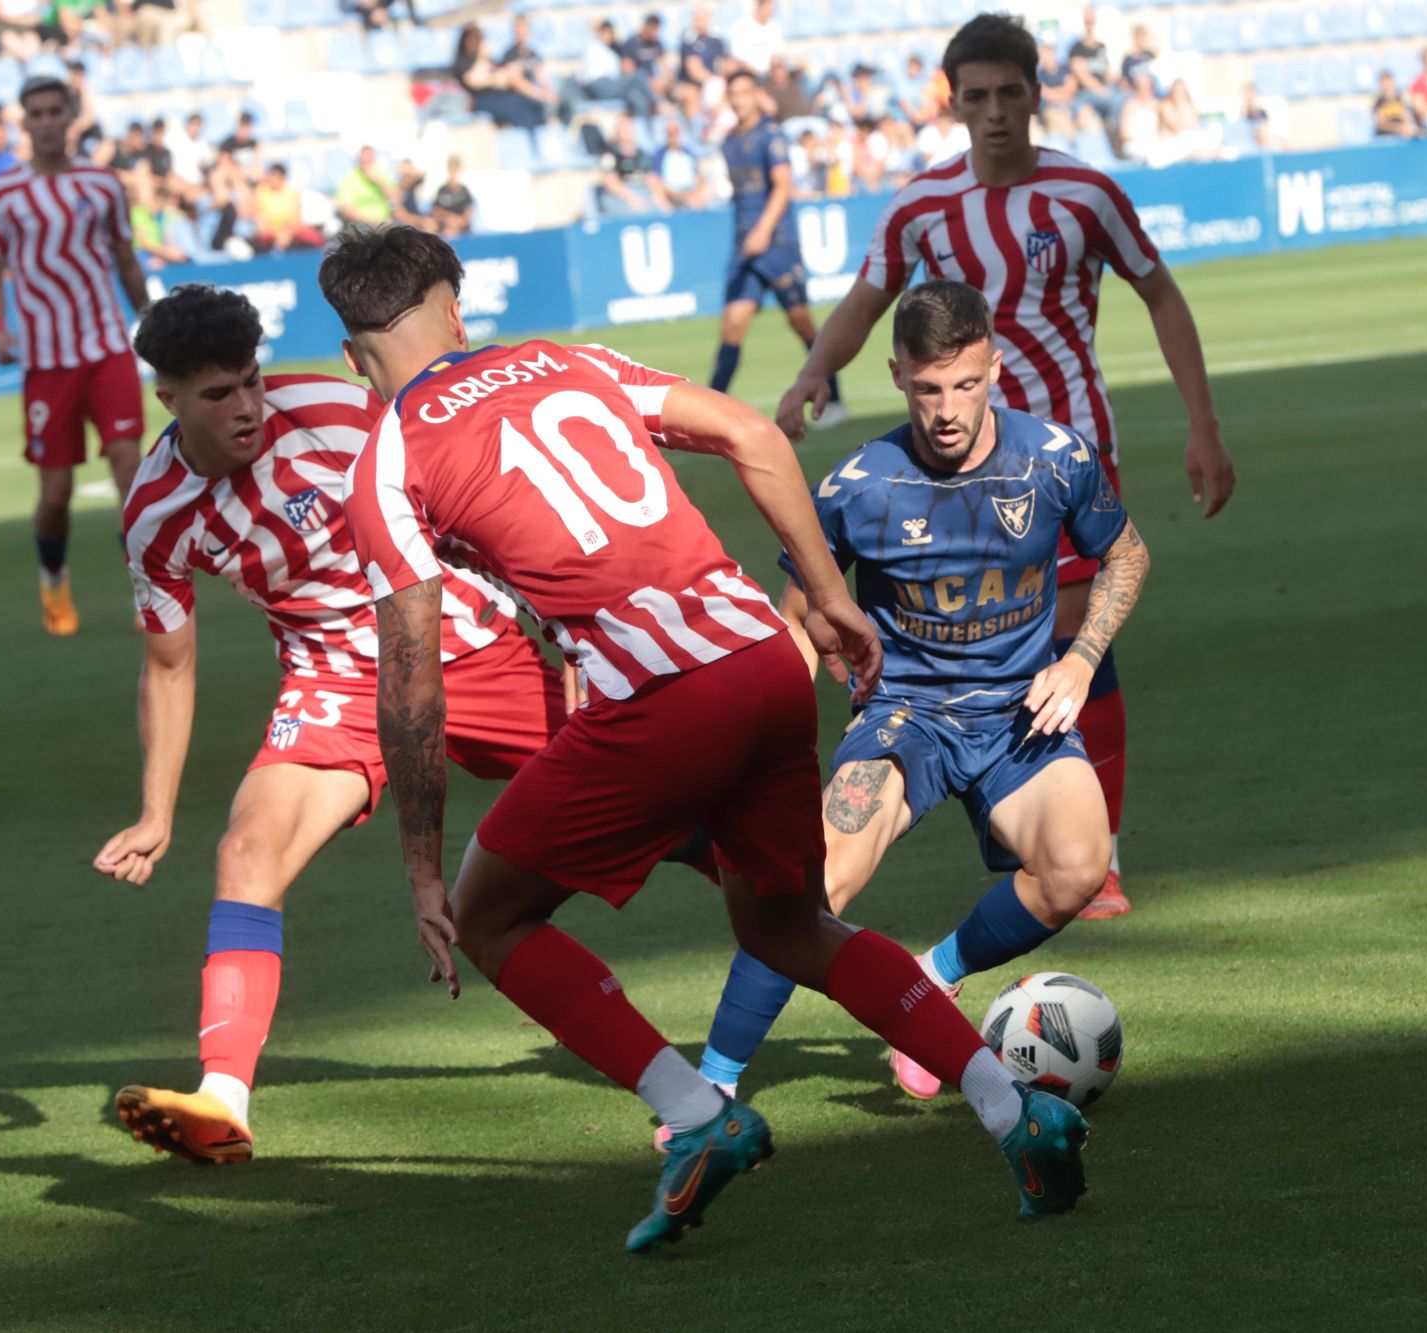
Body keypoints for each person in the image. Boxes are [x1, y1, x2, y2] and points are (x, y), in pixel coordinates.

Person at [322, 225, 1090, 1249]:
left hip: (657, 701)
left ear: (349, 355)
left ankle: (698, 1116)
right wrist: (829, 601)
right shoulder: (564, 359)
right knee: (786, 929)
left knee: (487, 916)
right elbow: (757, 438)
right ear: (455, 308)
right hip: (763, 665)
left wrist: (418, 866)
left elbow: (412, 675)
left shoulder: (385, 459)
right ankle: (1015, 1109)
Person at [773, 14, 1237, 918]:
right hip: (953, 466)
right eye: (976, 96)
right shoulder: (919, 206)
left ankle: (1095, 857)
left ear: (1035, 94)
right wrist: (810, 373)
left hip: (1067, 451)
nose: (994, 113)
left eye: (1009, 93)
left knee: (1076, 637)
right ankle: (982, 796)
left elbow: (1161, 291)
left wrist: (1202, 423)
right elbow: (867, 301)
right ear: (954, 102)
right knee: (968, 633)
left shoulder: (1085, 193)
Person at [98, 284, 572, 1165]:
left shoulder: (333, 406)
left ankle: (817, 941)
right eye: (216, 394)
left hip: (458, 635)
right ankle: (222, 1099)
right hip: (336, 678)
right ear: (167, 400)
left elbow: (469, 495)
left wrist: (562, 616)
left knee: (670, 804)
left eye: (249, 381)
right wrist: (156, 810)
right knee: (246, 853)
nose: (245, 407)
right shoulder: (156, 515)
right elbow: (169, 664)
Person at [690, 278, 1149, 1109]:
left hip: (1019, 712)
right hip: (906, 715)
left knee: (1079, 868)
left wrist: (1080, 659)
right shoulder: (857, 486)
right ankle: (710, 1089)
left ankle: (932, 980)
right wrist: (771, 743)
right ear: (898, 373)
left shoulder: (1054, 458)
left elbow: (1127, 554)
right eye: (929, 387)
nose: (947, 409)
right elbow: (794, 622)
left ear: (995, 369)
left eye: (966, 384)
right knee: (808, 887)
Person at [0, 75, 151, 637]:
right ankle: (53, 578)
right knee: (55, 495)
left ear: (71, 117)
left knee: (130, 466)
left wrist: (152, 318)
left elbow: (125, 257)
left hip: (106, 346)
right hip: (46, 358)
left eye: (57, 111)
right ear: (23, 122)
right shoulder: (1, 195)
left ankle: (147, 593)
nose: (47, 121)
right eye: (37, 112)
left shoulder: (102, 184)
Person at [709, 69, 843, 424]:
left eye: (743, 92)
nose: (738, 100)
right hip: (744, 245)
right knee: (733, 326)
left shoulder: (772, 136)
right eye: (732, 94)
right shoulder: (728, 142)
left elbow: (783, 187)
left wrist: (764, 231)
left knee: (801, 322)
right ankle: (706, 411)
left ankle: (834, 399)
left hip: (776, 242)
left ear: (755, 94)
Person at [596, 114, 667, 214]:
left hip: (642, 191)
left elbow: (652, 178)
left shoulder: (641, 154)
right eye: (624, 129)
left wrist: (659, 196)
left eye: (629, 128)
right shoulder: (610, 153)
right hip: (620, 195)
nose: (627, 132)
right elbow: (610, 182)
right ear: (617, 131)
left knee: (661, 208)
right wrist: (631, 198)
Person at [1067, 8, 1115, 126]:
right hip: (1087, 92)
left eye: (1092, 19)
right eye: (1087, 19)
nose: (1090, 23)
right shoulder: (1076, 48)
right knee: (1114, 102)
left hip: (1104, 89)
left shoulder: (1101, 47)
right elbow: (1082, 77)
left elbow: (1108, 73)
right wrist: (1102, 91)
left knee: (1124, 99)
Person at [432, 154, 474, 236]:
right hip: (445, 223)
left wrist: (458, 221)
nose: (453, 172)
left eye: (455, 169)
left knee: (453, 229)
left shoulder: (464, 191)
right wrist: (449, 218)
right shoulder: (442, 190)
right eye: (451, 169)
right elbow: (436, 211)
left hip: (459, 224)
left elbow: (469, 213)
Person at [1373, 70, 1421, 139]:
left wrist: (1406, 127)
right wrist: (1398, 128)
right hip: (1385, 135)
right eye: (1383, 83)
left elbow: (1405, 117)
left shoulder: (1399, 99)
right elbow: (1382, 124)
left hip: (1401, 134)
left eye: (1388, 82)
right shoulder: (1379, 102)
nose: (1386, 86)